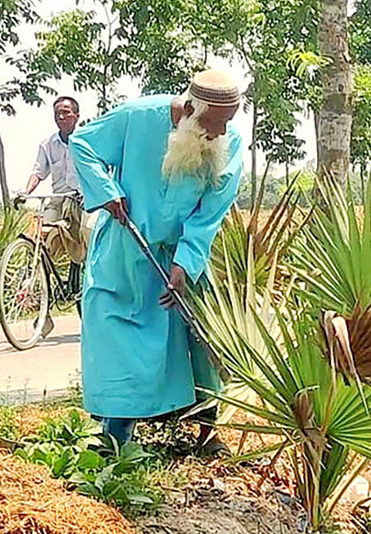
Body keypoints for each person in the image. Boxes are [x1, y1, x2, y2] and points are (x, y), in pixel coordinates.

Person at [69, 69, 244, 452]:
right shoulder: (136, 116)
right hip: (125, 250)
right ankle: (115, 437)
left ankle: (207, 431)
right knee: (120, 338)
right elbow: (82, 144)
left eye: (226, 123)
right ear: (189, 111)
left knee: (198, 337)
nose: (219, 133)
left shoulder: (229, 142)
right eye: (212, 124)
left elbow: (211, 211)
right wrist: (106, 191)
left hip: (182, 253)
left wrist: (184, 262)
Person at [24, 96, 86, 294]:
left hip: (83, 200)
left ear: (76, 116)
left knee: (90, 233)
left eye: (66, 112)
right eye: (57, 113)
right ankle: (36, 287)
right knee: (38, 237)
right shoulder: (48, 144)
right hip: (59, 200)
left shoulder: (87, 139)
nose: (61, 116)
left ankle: (90, 278)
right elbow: (38, 172)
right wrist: (25, 192)